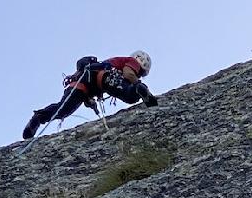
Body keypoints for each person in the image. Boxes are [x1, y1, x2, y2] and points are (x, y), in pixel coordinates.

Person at [21, 51, 157, 140]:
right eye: (141, 73)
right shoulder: (131, 61)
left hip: (80, 84)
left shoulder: (98, 65)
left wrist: (90, 101)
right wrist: (138, 83)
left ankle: (38, 118)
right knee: (131, 96)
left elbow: (90, 88)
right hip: (106, 78)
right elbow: (128, 74)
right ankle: (140, 90)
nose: (139, 74)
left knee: (62, 109)